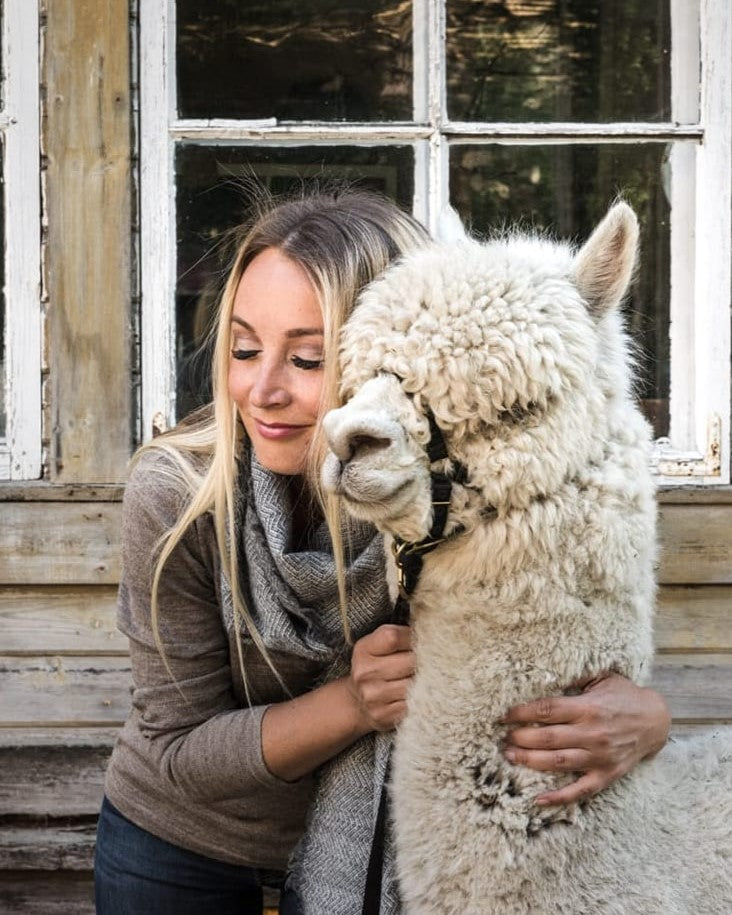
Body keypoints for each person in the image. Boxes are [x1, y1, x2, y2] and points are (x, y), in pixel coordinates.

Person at [94, 187, 671, 915]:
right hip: (185, 851)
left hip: (387, 855)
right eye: (242, 348)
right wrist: (351, 705)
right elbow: (178, 750)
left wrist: (646, 716)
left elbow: (549, 628)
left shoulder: (435, 488)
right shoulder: (176, 495)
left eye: (308, 359)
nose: (261, 389)